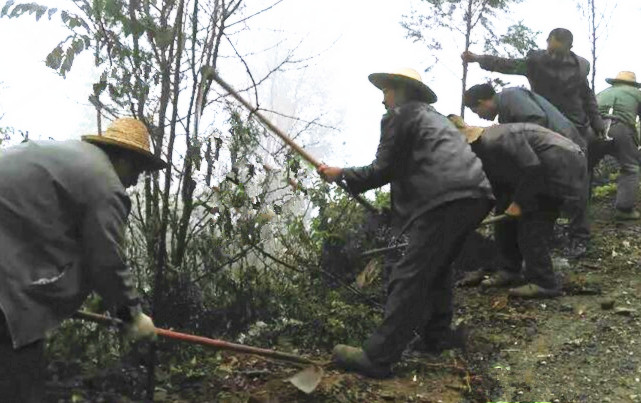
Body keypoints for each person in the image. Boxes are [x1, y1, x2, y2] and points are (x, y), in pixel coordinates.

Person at [317, 68, 494, 378]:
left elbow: (382, 170)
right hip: (475, 195)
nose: (383, 99)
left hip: (445, 199)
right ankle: (437, 335)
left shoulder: (399, 116)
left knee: (409, 273)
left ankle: (378, 357)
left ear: (401, 92)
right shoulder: (435, 119)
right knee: (438, 267)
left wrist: (341, 173)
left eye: (386, 91)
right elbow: (412, 170)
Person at [0, 117, 165, 402]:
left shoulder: (74, 160)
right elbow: (106, 259)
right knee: (19, 383)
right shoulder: (104, 183)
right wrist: (133, 315)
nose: (135, 180)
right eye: (137, 169)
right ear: (123, 159)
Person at [462, 28, 604, 257]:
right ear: (546, 43)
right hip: (555, 133)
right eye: (550, 50)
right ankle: (550, 236)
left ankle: (580, 238)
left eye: (558, 52)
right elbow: (508, 64)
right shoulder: (536, 64)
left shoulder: (577, 70)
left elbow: (539, 120)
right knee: (552, 190)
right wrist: (479, 58)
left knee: (575, 190)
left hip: (567, 133)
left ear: (569, 48)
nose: (553, 56)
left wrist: (596, 123)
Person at [449, 117, 587, 298]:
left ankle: (544, 283)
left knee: (532, 223)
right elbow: (497, 189)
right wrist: (474, 220)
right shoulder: (483, 151)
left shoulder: (496, 140)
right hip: (534, 173)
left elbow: (532, 169)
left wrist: (519, 203)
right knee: (503, 217)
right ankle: (510, 270)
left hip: (559, 164)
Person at [463, 83, 585, 149]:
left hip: (568, 145)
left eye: (476, 111)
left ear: (482, 102)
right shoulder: (505, 111)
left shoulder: (510, 96)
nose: (479, 116)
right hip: (563, 146)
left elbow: (537, 121)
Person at [592, 71, 641, 220]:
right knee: (630, 167)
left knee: (586, 167)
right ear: (633, 84)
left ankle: (579, 209)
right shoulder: (636, 93)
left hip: (593, 128)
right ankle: (624, 210)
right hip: (620, 128)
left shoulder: (603, 92)